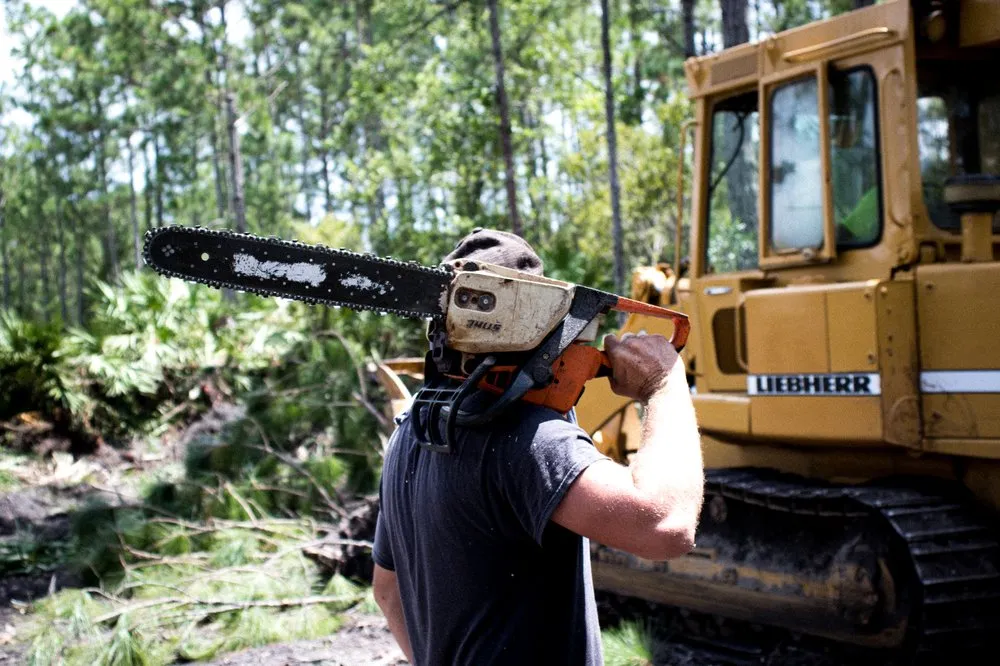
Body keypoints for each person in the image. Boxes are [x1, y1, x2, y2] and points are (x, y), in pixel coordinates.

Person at [372, 229, 704, 665]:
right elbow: (665, 526)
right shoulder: (529, 439)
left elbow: (387, 589)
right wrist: (664, 383)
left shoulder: (409, 431)